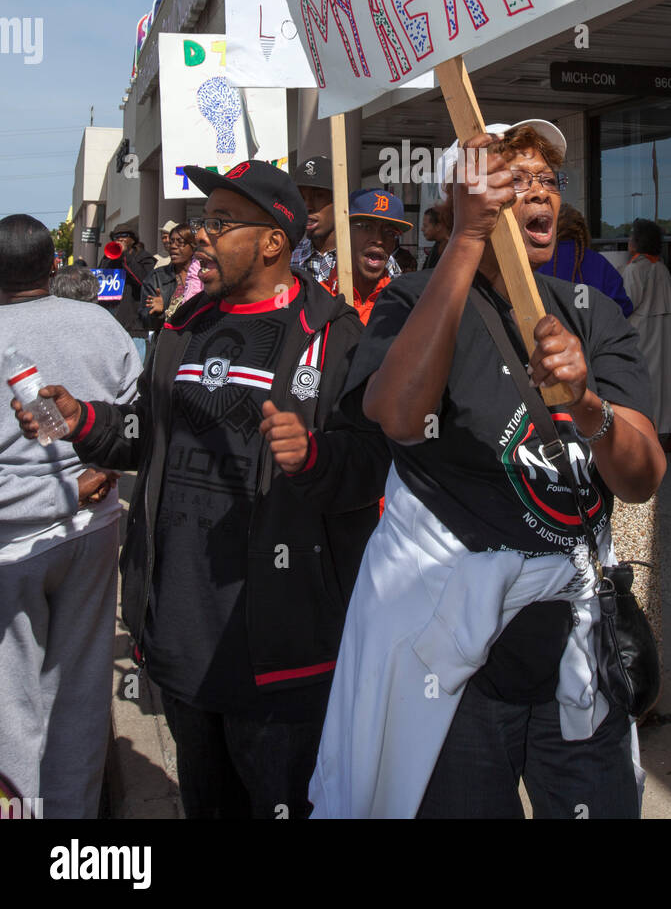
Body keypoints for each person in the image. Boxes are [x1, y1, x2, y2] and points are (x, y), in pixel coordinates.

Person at [12, 162, 390, 819]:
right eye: (201, 220)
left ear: (273, 241)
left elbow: (374, 464)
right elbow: (147, 434)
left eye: (220, 222)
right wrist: (86, 420)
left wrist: (316, 455)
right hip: (182, 646)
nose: (200, 236)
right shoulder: (183, 325)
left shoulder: (335, 336)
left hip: (282, 654)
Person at [310, 124, 665, 820]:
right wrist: (467, 243)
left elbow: (641, 476)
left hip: (574, 644)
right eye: (515, 180)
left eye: (548, 182)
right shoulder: (413, 298)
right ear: (464, 196)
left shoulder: (590, 314)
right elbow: (398, 416)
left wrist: (589, 406)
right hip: (450, 661)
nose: (539, 195)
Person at [0, 214, 140, 818]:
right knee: (81, 684)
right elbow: (138, 419)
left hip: (12, 542)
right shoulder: (100, 325)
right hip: (91, 525)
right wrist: (102, 470)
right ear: (53, 266)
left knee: (12, 698)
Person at [621, 219, 671, 442]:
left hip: (644, 331)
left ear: (637, 241)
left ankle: (651, 429)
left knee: (649, 381)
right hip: (667, 330)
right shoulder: (660, 266)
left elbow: (627, 302)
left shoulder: (635, 268)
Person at [292, 155, 402, 283]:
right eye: (302, 197)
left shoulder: (376, 261)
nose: (308, 206)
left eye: (319, 196)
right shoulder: (289, 256)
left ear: (341, 201)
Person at [320, 189, 413, 326]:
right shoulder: (317, 300)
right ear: (344, 232)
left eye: (389, 232)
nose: (378, 239)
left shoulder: (404, 306)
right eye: (366, 227)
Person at [539, 203, 634, 317]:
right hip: (593, 334)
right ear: (582, 230)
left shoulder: (538, 262)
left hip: (547, 333)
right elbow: (623, 307)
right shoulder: (600, 264)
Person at [99, 227, 155, 361]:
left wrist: (125, 256)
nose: (119, 239)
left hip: (134, 327)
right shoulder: (108, 258)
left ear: (133, 240)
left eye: (124, 235)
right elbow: (100, 285)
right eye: (116, 237)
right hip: (111, 326)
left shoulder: (144, 258)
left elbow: (143, 282)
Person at [141, 224, 202, 333]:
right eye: (171, 242)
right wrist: (159, 312)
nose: (173, 246)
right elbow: (145, 321)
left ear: (193, 245)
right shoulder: (156, 278)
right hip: (169, 343)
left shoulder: (206, 275)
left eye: (180, 242)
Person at [421, 205, 451, 269]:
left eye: (425, 226)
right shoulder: (438, 246)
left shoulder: (450, 249)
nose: (422, 229)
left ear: (438, 226)